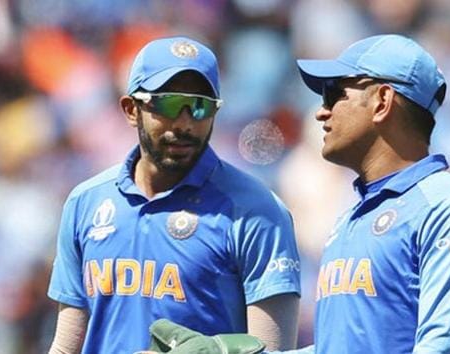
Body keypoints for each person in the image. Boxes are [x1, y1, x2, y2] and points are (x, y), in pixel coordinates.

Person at [142, 34, 450, 354]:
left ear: (382, 101)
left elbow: (445, 347)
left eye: (335, 93)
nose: (321, 111)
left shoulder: (449, 211)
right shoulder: (352, 218)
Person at [46, 36, 301, 354]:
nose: (184, 123)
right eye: (167, 104)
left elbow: (273, 351)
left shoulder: (256, 210)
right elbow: (67, 342)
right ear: (131, 109)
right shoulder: (86, 202)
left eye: (199, 107)